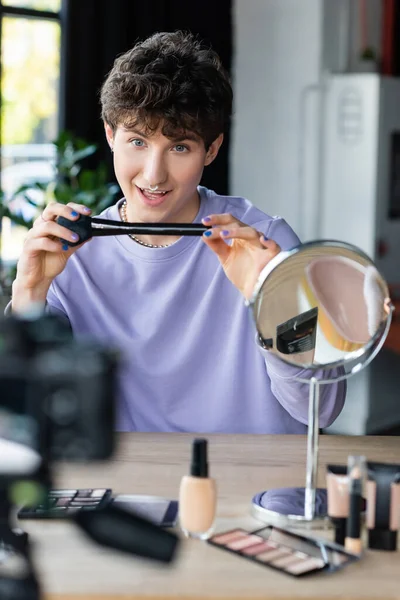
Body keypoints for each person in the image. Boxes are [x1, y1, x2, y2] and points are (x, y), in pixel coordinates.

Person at [10, 31, 345, 433]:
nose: (154, 175)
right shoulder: (70, 255)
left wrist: (270, 304)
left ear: (212, 149)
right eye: (137, 141)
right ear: (110, 136)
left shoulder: (264, 241)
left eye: (180, 147)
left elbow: (321, 410)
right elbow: (25, 416)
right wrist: (29, 291)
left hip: (256, 486)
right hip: (129, 487)